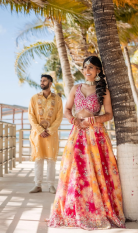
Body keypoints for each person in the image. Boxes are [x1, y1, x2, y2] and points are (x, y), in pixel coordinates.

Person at [48, 56, 126, 230]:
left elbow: (109, 115)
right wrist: (73, 120)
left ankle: (95, 211)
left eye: (91, 67)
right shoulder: (76, 88)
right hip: (77, 133)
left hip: (94, 135)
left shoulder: (103, 90)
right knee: (75, 172)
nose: (87, 71)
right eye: (85, 68)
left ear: (98, 70)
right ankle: (74, 210)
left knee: (95, 171)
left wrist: (94, 120)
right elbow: (67, 110)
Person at [28, 74, 63, 194]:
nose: (42, 82)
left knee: (51, 160)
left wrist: (50, 130)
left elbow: (59, 117)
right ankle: (37, 185)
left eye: (44, 81)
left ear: (50, 83)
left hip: (51, 135)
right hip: (38, 135)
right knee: (38, 159)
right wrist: (40, 130)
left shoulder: (57, 99)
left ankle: (51, 185)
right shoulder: (33, 98)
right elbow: (31, 116)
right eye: (41, 80)